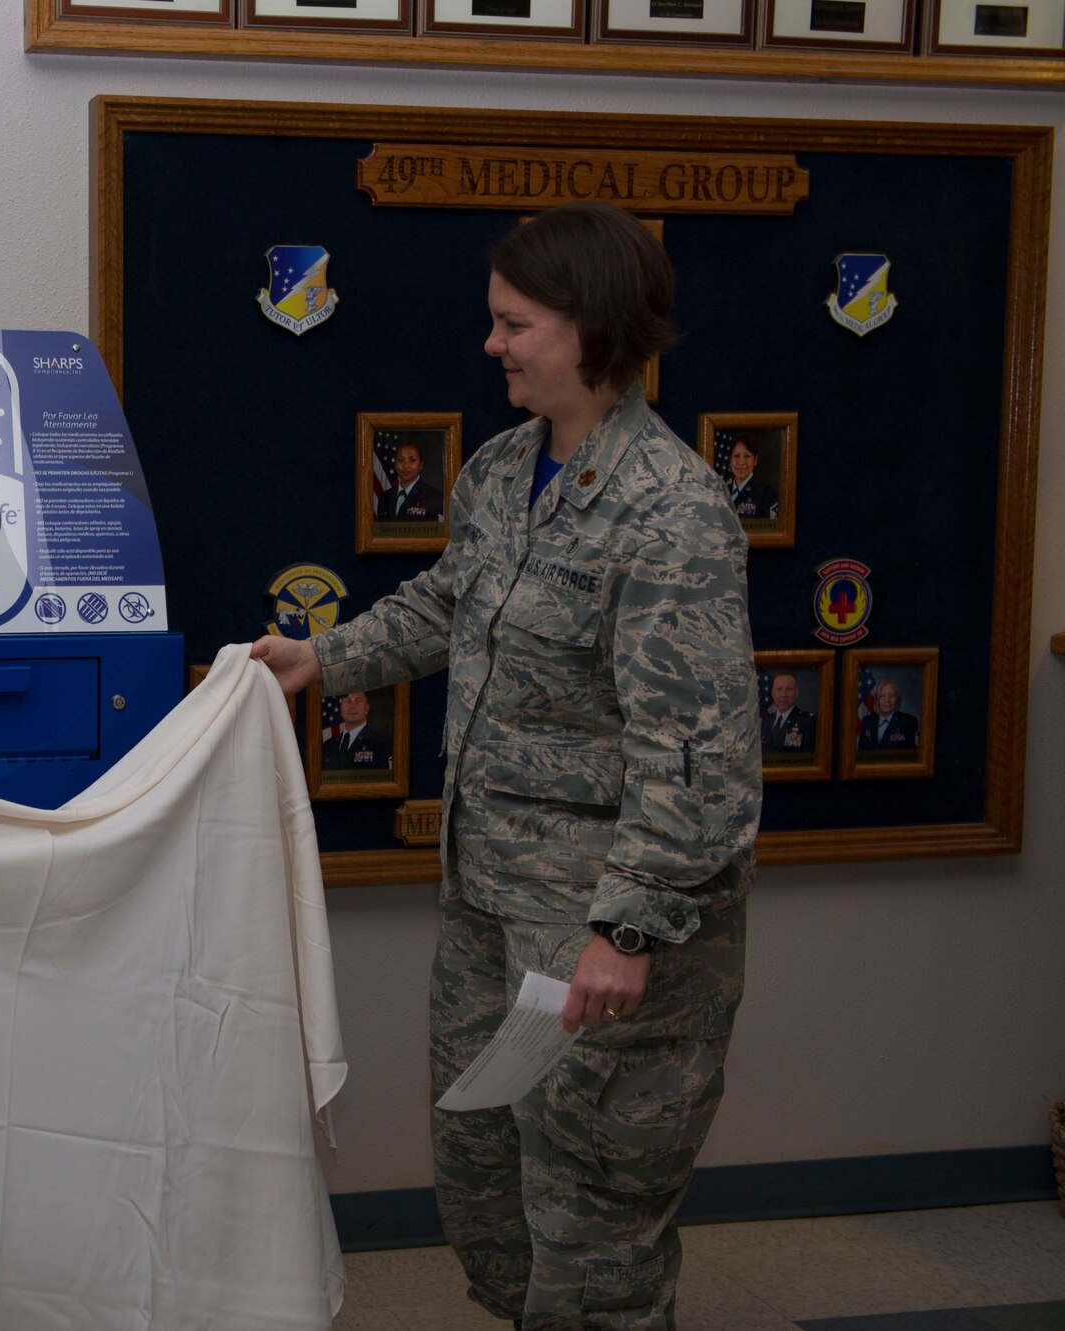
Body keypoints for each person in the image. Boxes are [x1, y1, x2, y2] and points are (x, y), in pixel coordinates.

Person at [252, 202, 760, 1330]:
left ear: (592, 329)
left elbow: (698, 750)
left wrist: (626, 928)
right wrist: (319, 659)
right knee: (487, 1187)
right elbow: (447, 603)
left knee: (590, 1220)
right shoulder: (501, 468)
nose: (492, 344)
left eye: (513, 322)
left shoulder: (668, 510)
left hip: (600, 934)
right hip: (491, 907)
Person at [320, 690, 391, 772]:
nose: (352, 706)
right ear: (341, 708)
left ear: (367, 708)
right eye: (347, 701)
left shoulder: (382, 742)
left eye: (358, 701)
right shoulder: (328, 745)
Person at [377, 440, 443, 523]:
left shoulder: (436, 498)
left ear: (421, 464)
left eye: (412, 460)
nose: (406, 466)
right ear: (395, 463)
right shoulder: (385, 497)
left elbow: (440, 533)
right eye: (401, 460)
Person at [759, 670, 817, 756]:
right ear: (772, 693)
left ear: (796, 692)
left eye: (788, 689)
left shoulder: (808, 723)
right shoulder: (765, 722)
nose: (783, 695)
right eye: (779, 689)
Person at [723, 436, 778, 521]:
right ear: (730, 460)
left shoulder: (767, 493)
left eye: (747, 456)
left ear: (755, 460)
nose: (741, 462)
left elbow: (771, 529)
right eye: (736, 456)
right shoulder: (721, 491)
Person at [857, 679, 920, 749]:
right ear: (877, 699)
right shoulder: (867, 722)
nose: (887, 700)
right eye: (882, 696)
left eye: (892, 696)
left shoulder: (909, 722)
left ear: (898, 699)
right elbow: (861, 755)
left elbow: (913, 756)